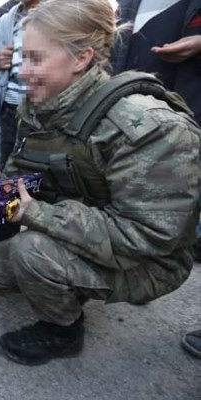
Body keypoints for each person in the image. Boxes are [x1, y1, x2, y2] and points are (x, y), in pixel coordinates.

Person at [0, 0, 200, 365]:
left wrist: (40, 216)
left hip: (151, 261)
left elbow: (149, 236)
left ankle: (63, 330)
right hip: (87, 232)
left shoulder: (148, 128)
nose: (23, 72)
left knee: (30, 252)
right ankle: (72, 279)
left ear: (81, 59)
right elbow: (22, 186)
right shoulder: (40, 110)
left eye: (37, 59)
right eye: (24, 58)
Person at [112, 0, 201, 356]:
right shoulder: (130, 5)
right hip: (136, 127)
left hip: (187, 125)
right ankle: (140, 279)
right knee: (141, 206)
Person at [0, 0, 40, 246]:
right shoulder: (3, 18)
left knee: (45, 174)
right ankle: (4, 234)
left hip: (44, 110)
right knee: (8, 175)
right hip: (10, 110)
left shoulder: (63, 13)